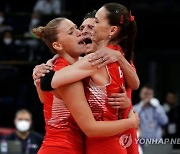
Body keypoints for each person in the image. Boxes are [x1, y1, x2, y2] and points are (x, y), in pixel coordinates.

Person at [33, 3, 140, 154]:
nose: (82, 33)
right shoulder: (117, 56)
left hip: (99, 144)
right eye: (76, 30)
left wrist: (43, 70)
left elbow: (47, 83)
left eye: (94, 23)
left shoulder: (94, 60)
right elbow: (135, 84)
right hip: (100, 143)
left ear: (112, 30)